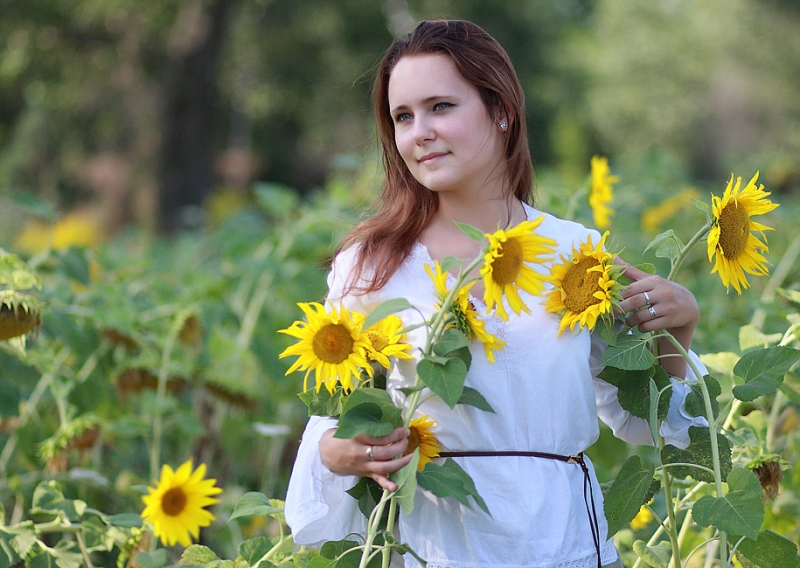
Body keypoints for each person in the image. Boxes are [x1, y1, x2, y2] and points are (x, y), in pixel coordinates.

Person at [285, 19, 705, 568]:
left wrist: (680, 328)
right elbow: (336, 413)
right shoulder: (370, 265)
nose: (419, 133)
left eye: (440, 107)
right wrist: (341, 453)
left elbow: (643, 417)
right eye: (402, 117)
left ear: (501, 109)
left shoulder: (573, 251)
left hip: (562, 544)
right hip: (433, 544)